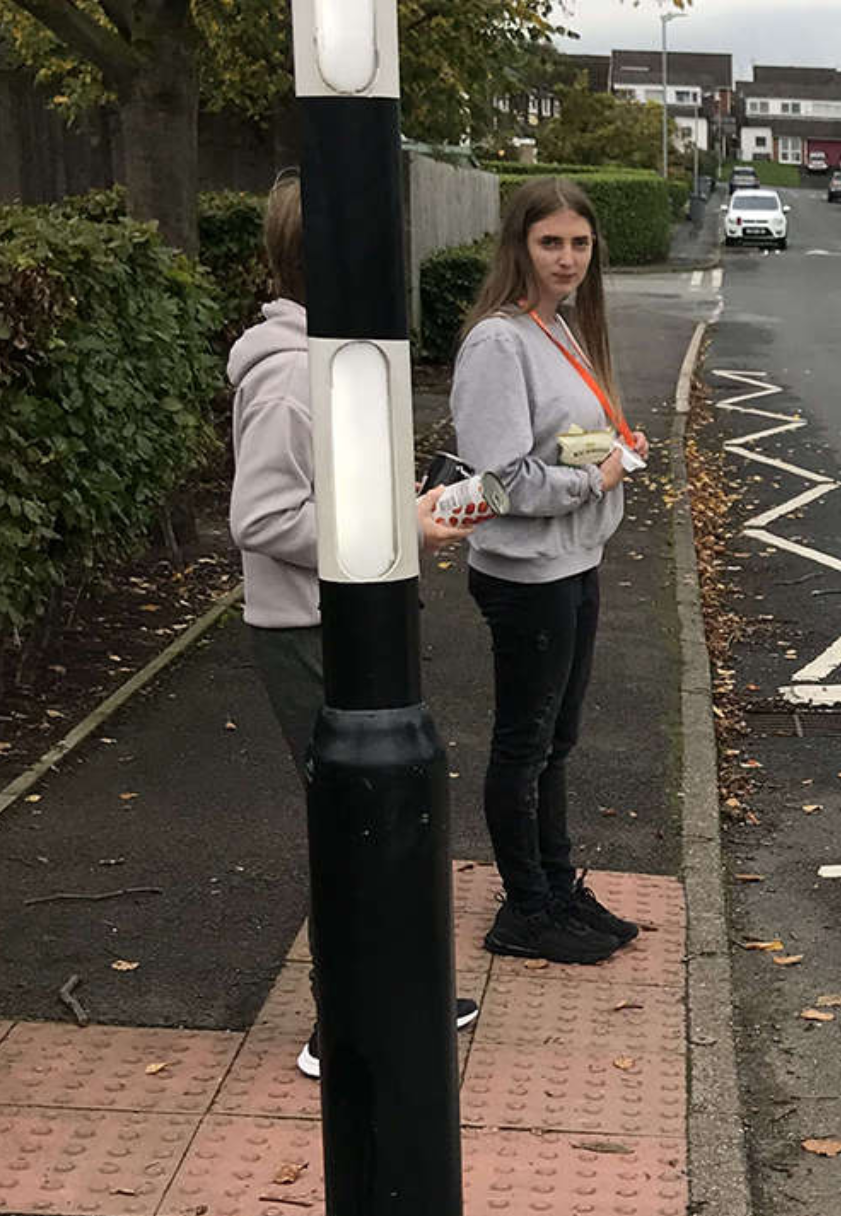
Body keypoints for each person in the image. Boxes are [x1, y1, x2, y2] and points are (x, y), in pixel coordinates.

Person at [228, 172, 483, 1078]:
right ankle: (336, 1024)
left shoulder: (335, 362)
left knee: (384, 814)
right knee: (351, 823)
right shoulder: (292, 380)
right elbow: (260, 517)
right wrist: (389, 529)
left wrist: (403, 511)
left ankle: (397, 990)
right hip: (305, 630)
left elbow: (330, 497)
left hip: (346, 618)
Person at [451, 177, 648, 966]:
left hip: (573, 558)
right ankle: (525, 908)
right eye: (550, 242)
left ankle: (556, 885)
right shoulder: (500, 341)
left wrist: (612, 451)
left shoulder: (559, 326)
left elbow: (559, 440)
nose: (567, 259)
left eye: (579, 243)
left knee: (556, 740)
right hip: (527, 571)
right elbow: (497, 480)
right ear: (519, 245)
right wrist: (593, 480)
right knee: (524, 743)